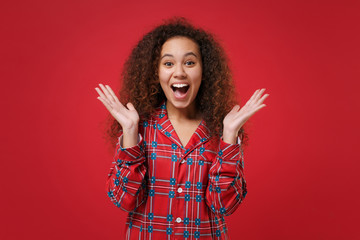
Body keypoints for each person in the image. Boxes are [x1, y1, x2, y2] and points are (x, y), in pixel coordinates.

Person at [95, 17, 269, 240]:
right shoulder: (140, 128)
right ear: (155, 72)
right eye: (168, 63)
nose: (179, 72)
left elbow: (223, 205)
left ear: (204, 70)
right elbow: (124, 199)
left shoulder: (221, 129)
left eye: (189, 62)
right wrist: (129, 132)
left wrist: (229, 137)